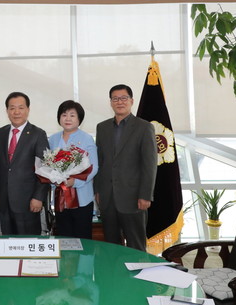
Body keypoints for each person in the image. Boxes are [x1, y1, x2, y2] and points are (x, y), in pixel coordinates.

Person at [94, 84, 157, 251]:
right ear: (110, 102)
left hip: (133, 198)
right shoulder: (102, 127)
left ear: (131, 101)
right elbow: (100, 161)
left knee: (136, 246)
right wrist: (98, 190)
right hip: (107, 197)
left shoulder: (144, 127)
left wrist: (145, 195)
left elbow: (149, 164)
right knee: (111, 246)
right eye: (115, 99)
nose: (119, 102)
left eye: (123, 98)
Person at [0, 92, 49, 235]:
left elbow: (45, 168)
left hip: (28, 201)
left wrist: (38, 197)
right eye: (12, 108)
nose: (16, 112)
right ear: (7, 111)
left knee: (29, 242)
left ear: (28, 110)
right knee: (7, 243)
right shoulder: (0, 133)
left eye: (21, 108)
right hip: (3, 200)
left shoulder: (38, 134)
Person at [48, 100, 98, 239]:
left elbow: (94, 167)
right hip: (60, 197)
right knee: (64, 237)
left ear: (79, 118)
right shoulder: (53, 139)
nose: (68, 119)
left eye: (72, 115)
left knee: (83, 237)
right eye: (64, 115)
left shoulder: (87, 139)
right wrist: (54, 179)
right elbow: (48, 165)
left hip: (82, 197)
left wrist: (75, 182)